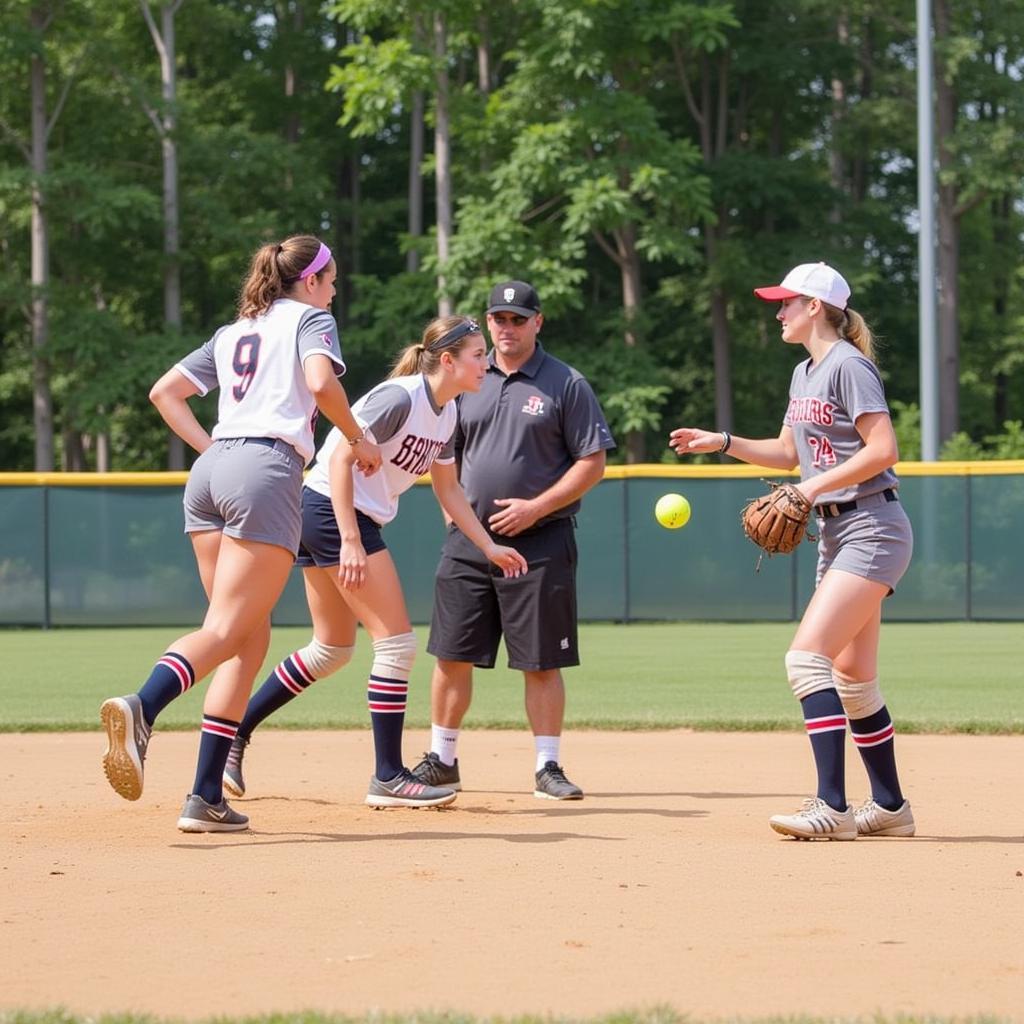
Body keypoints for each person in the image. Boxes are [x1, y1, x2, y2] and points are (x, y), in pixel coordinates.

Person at [100, 234, 381, 832]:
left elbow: (163, 393)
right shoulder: (310, 320)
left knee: (244, 639)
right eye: (331, 283)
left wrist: (216, 451)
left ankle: (204, 796)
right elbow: (322, 384)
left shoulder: (234, 333)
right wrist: (359, 439)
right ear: (310, 281)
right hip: (267, 470)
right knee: (227, 629)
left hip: (213, 470)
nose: (333, 294)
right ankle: (141, 707)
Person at [220, 315, 529, 808]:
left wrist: (488, 546)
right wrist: (349, 540)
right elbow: (340, 458)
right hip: (332, 511)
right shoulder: (400, 398)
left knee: (331, 649)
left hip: (329, 513)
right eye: (477, 354)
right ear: (446, 360)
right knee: (398, 645)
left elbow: (448, 490)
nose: (486, 362)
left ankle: (235, 736)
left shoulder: (447, 413)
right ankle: (387, 775)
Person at [669, 261, 915, 841]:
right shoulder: (804, 373)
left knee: (806, 660)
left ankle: (831, 806)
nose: (778, 312)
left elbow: (883, 448)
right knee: (853, 681)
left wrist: (810, 487)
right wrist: (722, 442)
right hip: (836, 533)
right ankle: (890, 807)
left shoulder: (848, 366)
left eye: (786, 302)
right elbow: (788, 452)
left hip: (873, 527)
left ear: (815, 307)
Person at [409, 280, 616, 800]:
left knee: (541, 660)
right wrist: (455, 520)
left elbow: (593, 462)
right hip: (469, 540)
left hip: (541, 540)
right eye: (498, 318)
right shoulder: (467, 378)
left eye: (518, 319)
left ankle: (548, 767)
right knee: (451, 654)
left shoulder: (566, 384)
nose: (506, 328)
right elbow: (442, 458)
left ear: (537, 322)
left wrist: (538, 508)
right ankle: (442, 759)